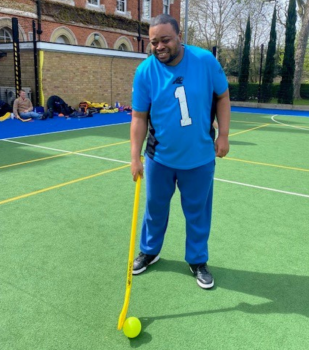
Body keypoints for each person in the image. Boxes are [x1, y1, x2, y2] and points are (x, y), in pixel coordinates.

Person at [130, 14, 231, 289]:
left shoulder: (204, 61)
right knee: (155, 208)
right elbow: (139, 117)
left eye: (165, 40)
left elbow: (222, 96)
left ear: (179, 36)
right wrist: (135, 157)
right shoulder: (145, 71)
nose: (159, 46)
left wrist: (223, 135)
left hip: (199, 159)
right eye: (154, 42)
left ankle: (197, 260)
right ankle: (150, 251)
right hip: (160, 159)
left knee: (198, 212)